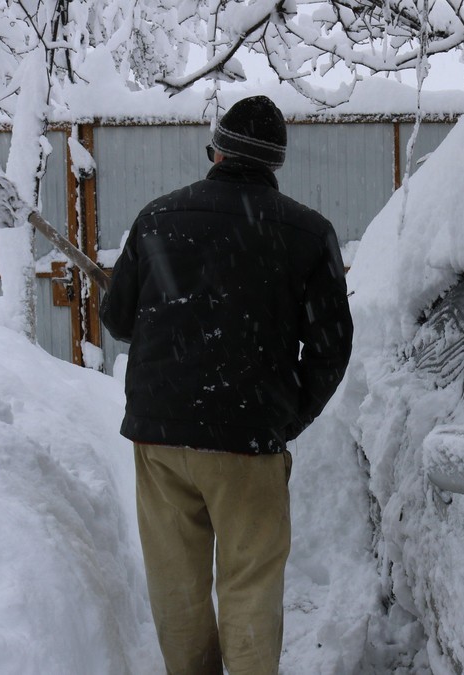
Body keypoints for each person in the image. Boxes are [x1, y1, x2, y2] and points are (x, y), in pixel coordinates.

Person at [99, 95, 353, 675]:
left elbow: (117, 322)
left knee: (176, 583)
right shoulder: (310, 234)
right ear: (275, 165)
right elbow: (330, 347)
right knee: (250, 584)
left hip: (161, 437)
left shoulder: (157, 218)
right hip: (248, 437)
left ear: (216, 150)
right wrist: (286, 416)